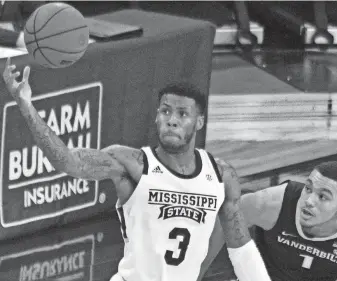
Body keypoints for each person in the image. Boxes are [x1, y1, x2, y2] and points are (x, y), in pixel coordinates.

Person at [2, 58, 272, 281]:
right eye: (165, 111)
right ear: (156, 116)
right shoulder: (131, 164)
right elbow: (66, 161)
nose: (172, 121)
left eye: (182, 114)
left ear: (199, 122)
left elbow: (241, 248)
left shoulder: (221, 175)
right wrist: (26, 106)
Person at [201, 161, 337, 281]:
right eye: (308, 188)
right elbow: (222, 222)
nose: (309, 201)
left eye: (323, 197)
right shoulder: (272, 204)